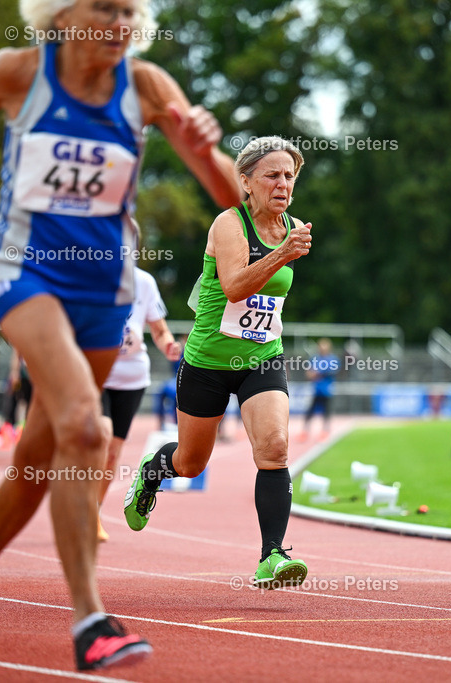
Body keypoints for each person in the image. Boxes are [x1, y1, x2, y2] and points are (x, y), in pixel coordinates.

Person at [0, 0, 241, 671]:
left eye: (129, 11)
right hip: (22, 272)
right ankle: (91, 619)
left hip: (103, 290)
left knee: (38, 452)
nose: (120, 23)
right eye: (104, 8)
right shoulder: (19, 72)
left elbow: (231, 197)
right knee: (86, 430)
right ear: (62, 13)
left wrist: (208, 151)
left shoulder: (146, 87)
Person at [123, 135, 313, 590]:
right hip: (207, 360)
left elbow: (266, 304)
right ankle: (153, 471)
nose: (282, 183)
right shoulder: (230, 224)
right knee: (191, 463)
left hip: (261, 358)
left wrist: (286, 247)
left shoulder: (291, 226)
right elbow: (234, 288)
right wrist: (285, 252)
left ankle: (272, 556)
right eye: (271, 175)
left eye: (289, 175)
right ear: (246, 181)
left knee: (275, 448)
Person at [97, 266, 181, 541]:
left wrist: (168, 345)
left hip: (131, 377)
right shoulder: (88, 275)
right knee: (101, 436)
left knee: (112, 452)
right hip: (94, 371)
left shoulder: (145, 282)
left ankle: (92, 513)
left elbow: (159, 330)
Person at [299, 337, 338, 440]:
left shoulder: (332, 359)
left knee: (326, 412)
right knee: (310, 411)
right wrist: (313, 373)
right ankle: (305, 431)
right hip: (316, 389)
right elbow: (309, 372)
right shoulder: (315, 358)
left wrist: (318, 373)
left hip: (327, 390)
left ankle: (325, 431)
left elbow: (332, 372)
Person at [1, 347, 32, 428]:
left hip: (32, 376)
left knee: (29, 403)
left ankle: (25, 426)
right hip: (23, 376)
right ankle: (14, 426)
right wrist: (15, 372)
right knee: (17, 401)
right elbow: (16, 354)